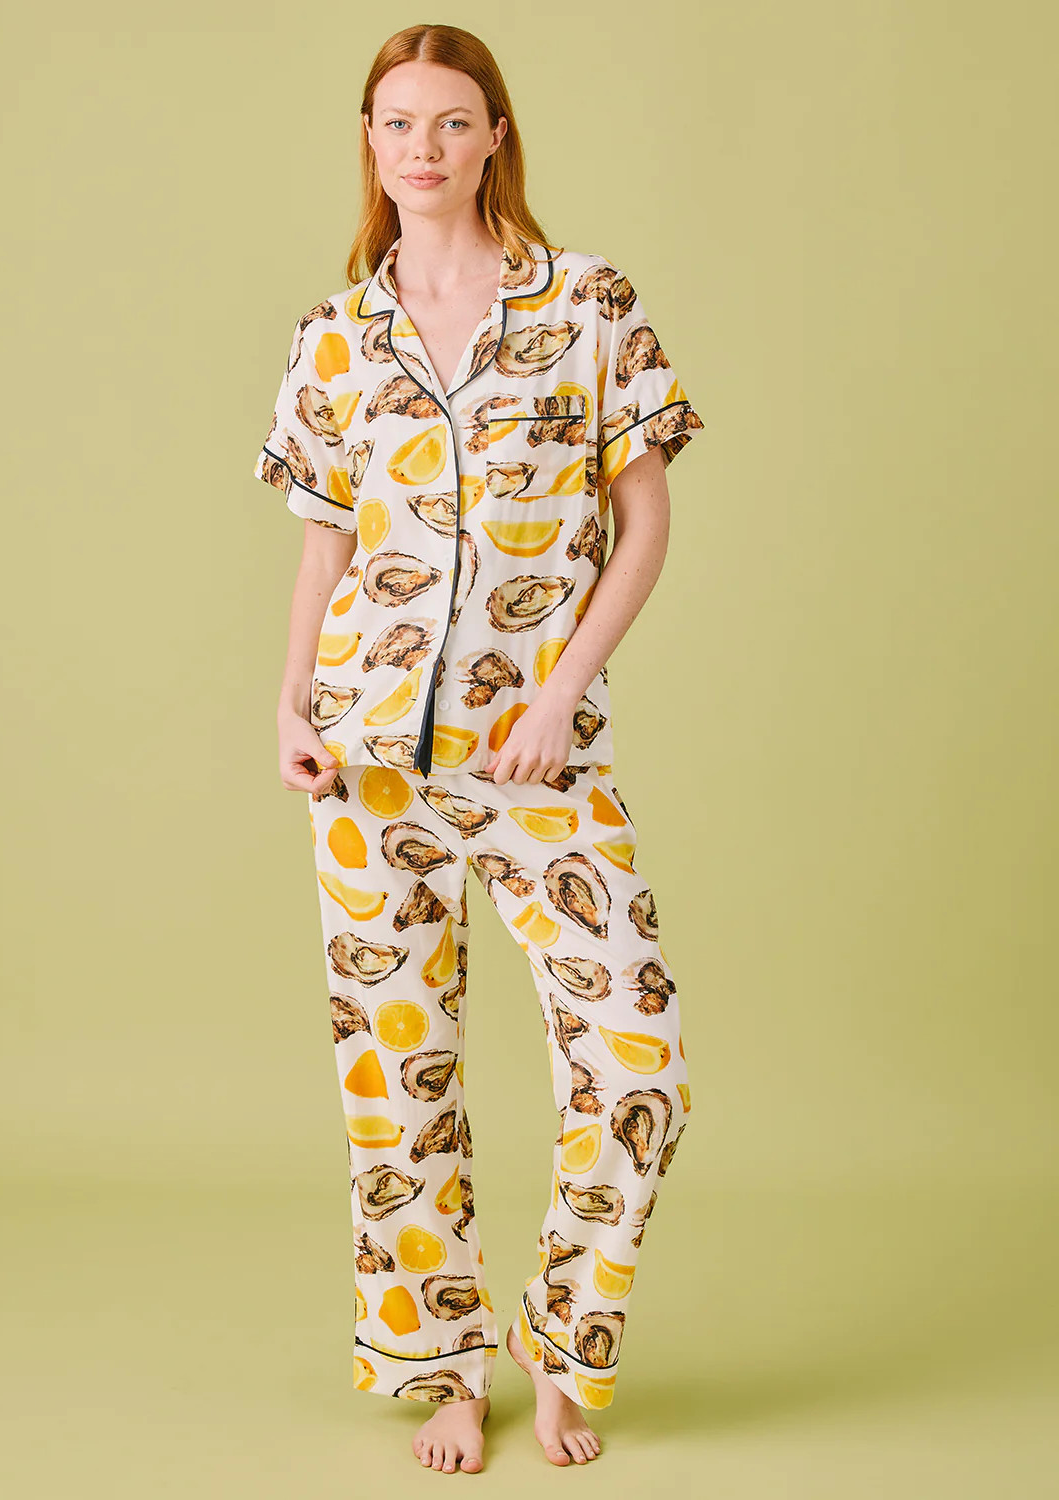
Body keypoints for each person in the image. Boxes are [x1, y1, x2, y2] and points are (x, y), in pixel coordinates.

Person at [254, 23, 704, 1475]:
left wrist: (564, 689)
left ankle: (562, 1349)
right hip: (367, 761)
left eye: (452, 121)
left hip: (537, 761)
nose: (424, 148)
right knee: (399, 1082)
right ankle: (444, 1370)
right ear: (370, 141)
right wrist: (289, 703)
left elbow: (644, 520)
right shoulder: (336, 334)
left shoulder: (588, 304)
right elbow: (326, 544)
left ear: (496, 133)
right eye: (398, 123)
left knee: (638, 1058)